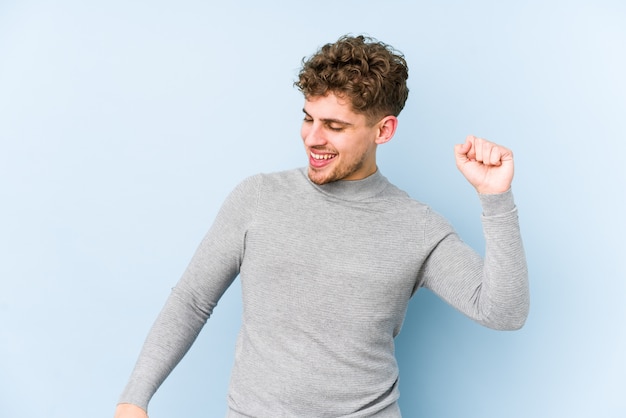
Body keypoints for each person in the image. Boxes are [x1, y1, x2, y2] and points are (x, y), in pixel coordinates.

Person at [114, 34, 529, 418]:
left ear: (383, 130)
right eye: (308, 118)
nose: (313, 138)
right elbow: (191, 300)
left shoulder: (418, 227)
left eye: (334, 126)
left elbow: (503, 312)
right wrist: (134, 399)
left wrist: (495, 199)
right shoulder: (257, 197)